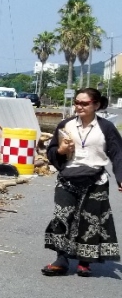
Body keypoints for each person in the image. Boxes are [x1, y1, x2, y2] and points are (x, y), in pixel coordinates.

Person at [41, 87, 122, 277]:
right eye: (76, 102)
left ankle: (85, 261)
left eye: (84, 103)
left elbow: (118, 154)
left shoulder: (106, 127)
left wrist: (121, 178)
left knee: (90, 221)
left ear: (96, 105)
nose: (79, 106)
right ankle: (61, 259)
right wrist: (60, 151)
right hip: (68, 179)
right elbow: (52, 152)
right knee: (62, 216)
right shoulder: (65, 125)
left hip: (95, 180)